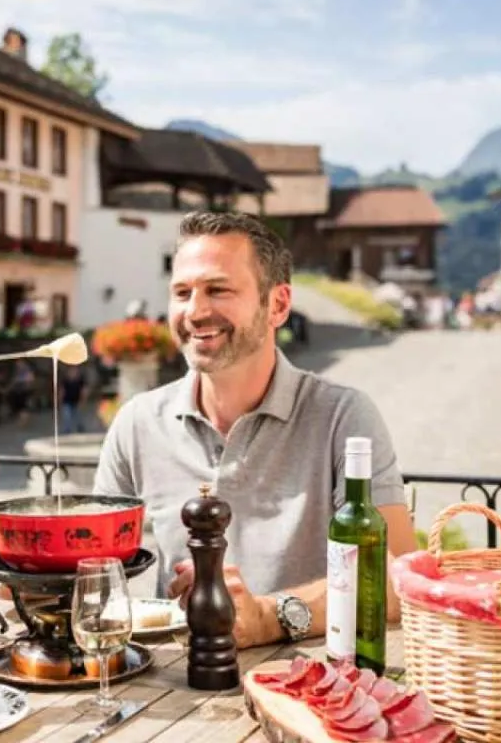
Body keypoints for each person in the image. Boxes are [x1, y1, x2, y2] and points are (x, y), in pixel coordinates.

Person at [93, 210, 418, 651]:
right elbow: (92, 571)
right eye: (182, 292)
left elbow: (398, 578)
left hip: (305, 682)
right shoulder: (137, 422)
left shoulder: (343, 416)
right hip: (172, 685)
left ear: (278, 305)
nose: (195, 311)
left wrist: (269, 616)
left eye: (218, 290)